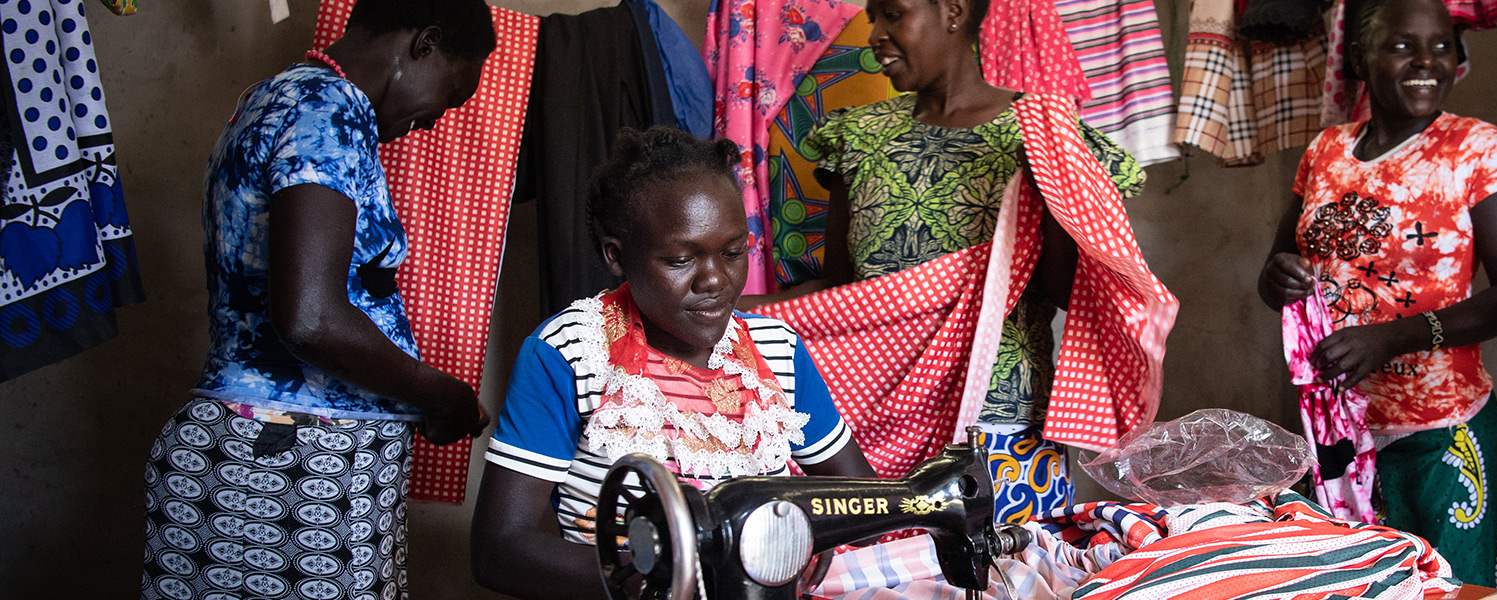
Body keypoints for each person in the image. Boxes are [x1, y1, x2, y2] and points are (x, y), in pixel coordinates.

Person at [140, 1, 494, 598]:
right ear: (425, 43)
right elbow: (311, 318)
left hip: (270, 462)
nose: (435, 122)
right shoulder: (327, 107)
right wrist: (444, 396)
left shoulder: (272, 98)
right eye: (451, 94)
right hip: (292, 474)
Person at [742, 0, 1146, 523]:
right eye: (873, 20)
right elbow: (842, 299)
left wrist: (1053, 178)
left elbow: (1068, 293)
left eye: (892, 15)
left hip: (998, 428)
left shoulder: (1042, 135)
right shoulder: (858, 137)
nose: (875, 37)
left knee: (1008, 576)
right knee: (881, 576)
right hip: (871, 419)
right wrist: (730, 312)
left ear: (953, 11)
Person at [470, 127, 876, 600]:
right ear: (616, 256)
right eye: (681, 259)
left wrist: (808, 523)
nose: (715, 281)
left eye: (733, 253)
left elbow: (863, 505)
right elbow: (498, 551)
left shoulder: (776, 350)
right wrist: (679, 568)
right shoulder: (570, 351)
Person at [1256, 0, 1497, 587]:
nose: (1428, 62)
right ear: (1360, 57)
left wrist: (1397, 337)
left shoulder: (1477, 148)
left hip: (1442, 436)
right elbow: (1278, 273)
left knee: (1463, 590)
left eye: (1442, 46)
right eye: (1403, 46)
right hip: (1335, 438)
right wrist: (1279, 277)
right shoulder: (1326, 151)